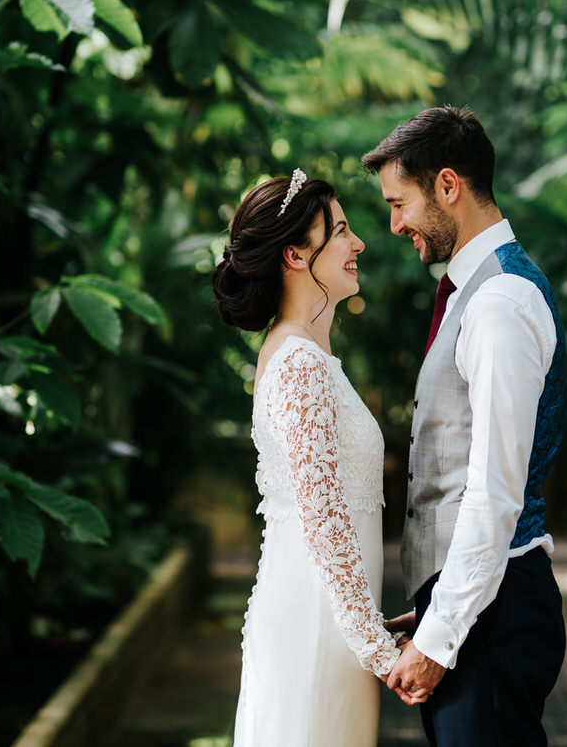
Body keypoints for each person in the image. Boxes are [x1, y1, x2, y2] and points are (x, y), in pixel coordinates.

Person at [363, 106, 567, 745]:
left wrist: (441, 634)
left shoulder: (499, 302)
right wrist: (431, 608)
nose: (394, 224)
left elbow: (493, 492)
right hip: (479, 604)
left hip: (495, 614)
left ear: (447, 185)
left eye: (400, 203)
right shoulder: (474, 293)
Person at [211, 170, 419, 747]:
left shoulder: (308, 355)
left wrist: (370, 636)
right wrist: (381, 652)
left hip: (334, 626)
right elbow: (326, 524)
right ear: (297, 255)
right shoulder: (298, 364)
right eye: (343, 232)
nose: (358, 245)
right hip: (313, 626)